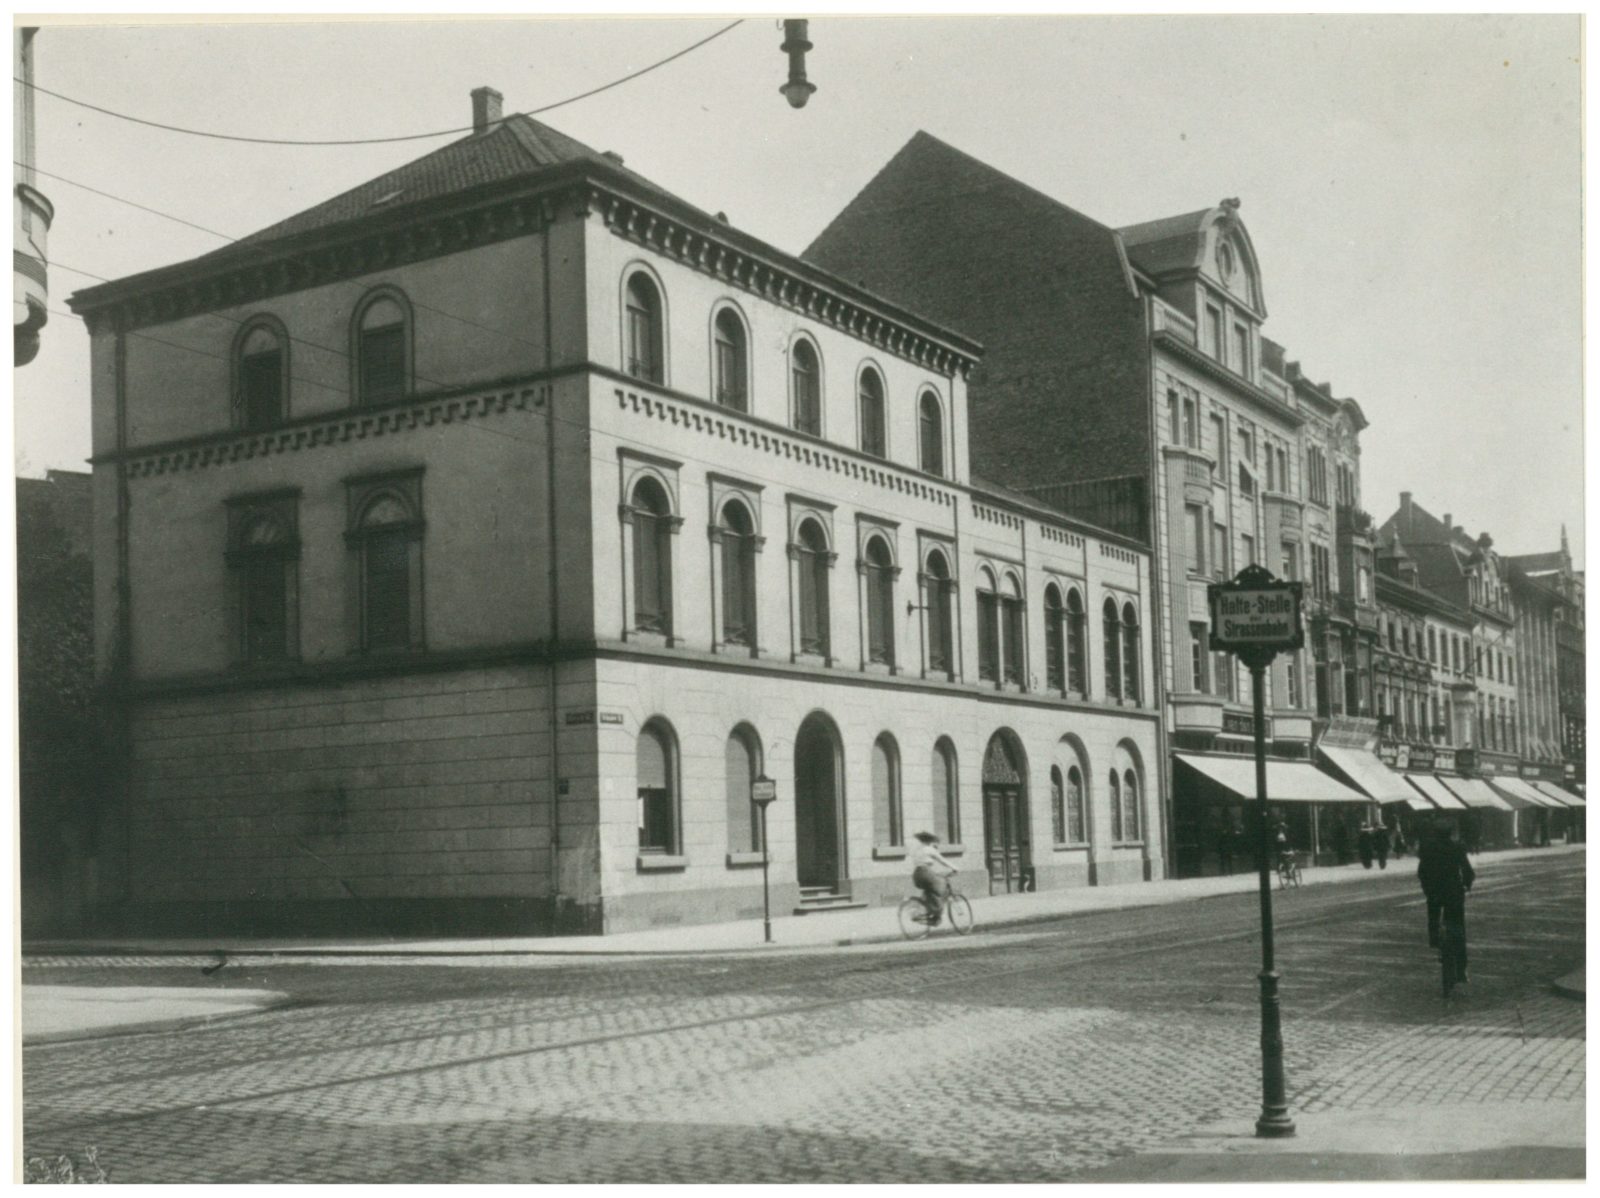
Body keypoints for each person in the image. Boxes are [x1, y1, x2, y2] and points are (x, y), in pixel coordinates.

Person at [1417, 821, 1475, 981]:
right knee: (1458, 929)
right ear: (1450, 833)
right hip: (1453, 893)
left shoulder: (1428, 849)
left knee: (1434, 916)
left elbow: (1421, 872)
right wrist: (1467, 885)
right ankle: (1461, 970)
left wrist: (1427, 889)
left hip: (1435, 892)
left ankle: (1435, 940)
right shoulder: (1457, 848)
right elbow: (1468, 871)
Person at [911, 831, 957, 925]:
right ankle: (936, 916)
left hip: (917, 874)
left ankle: (928, 910)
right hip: (925, 872)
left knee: (931, 889)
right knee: (939, 888)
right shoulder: (929, 849)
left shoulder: (918, 849)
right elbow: (942, 860)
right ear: (929, 841)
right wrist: (954, 867)